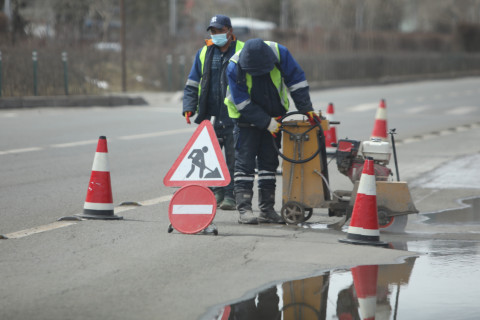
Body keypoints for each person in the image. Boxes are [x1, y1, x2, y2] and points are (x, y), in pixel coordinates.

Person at [224, 38, 321, 224]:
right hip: (245, 120)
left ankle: (267, 210)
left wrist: (305, 107)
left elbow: (297, 81)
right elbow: (242, 102)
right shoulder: (234, 66)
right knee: (244, 164)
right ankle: (244, 209)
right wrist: (267, 123)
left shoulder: (280, 53)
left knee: (269, 164)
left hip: (275, 116)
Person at [183, 14, 244, 210]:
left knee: (233, 159)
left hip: (234, 115)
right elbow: (193, 82)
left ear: (229, 31)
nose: (216, 35)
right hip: (210, 115)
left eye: (219, 31)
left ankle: (230, 195)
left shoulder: (243, 50)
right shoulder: (204, 52)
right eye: (213, 32)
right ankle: (216, 191)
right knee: (211, 158)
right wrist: (189, 106)